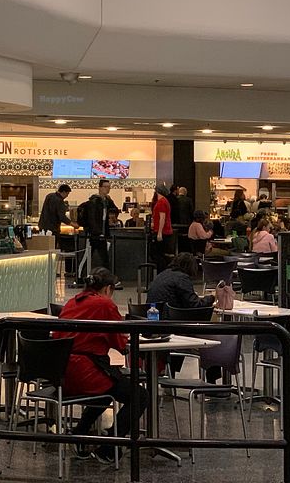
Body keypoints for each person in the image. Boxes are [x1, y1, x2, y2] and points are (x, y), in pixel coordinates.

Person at [55, 267, 147, 464]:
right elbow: (120, 343)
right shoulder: (104, 304)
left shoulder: (71, 302)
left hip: (62, 372)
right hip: (87, 371)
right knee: (139, 395)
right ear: (107, 289)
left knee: (106, 392)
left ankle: (80, 434)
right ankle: (109, 446)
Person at [147, 252, 215, 309]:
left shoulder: (163, 273)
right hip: (169, 315)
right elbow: (194, 304)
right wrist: (212, 297)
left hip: (152, 313)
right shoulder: (182, 278)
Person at [84, 179, 118, 271]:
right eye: (105, 187)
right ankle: (81, 274)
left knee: (102, 257)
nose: (107, 189)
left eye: (109, 187)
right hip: (95, 234)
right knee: (91, 256)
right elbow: (92, 218)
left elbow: (115, 210)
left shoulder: (107, 201)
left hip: (102, 233)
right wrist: (96, 231)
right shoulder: (94, 201)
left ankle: (82, 274)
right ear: (100, 188)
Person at [150, 184, 174, 270]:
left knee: (157, 254)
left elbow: (162, 218)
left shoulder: (161, 202)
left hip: (163, 232)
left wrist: (159, 232)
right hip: (165, 231)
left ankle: (161, 270)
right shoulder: (165, 201)